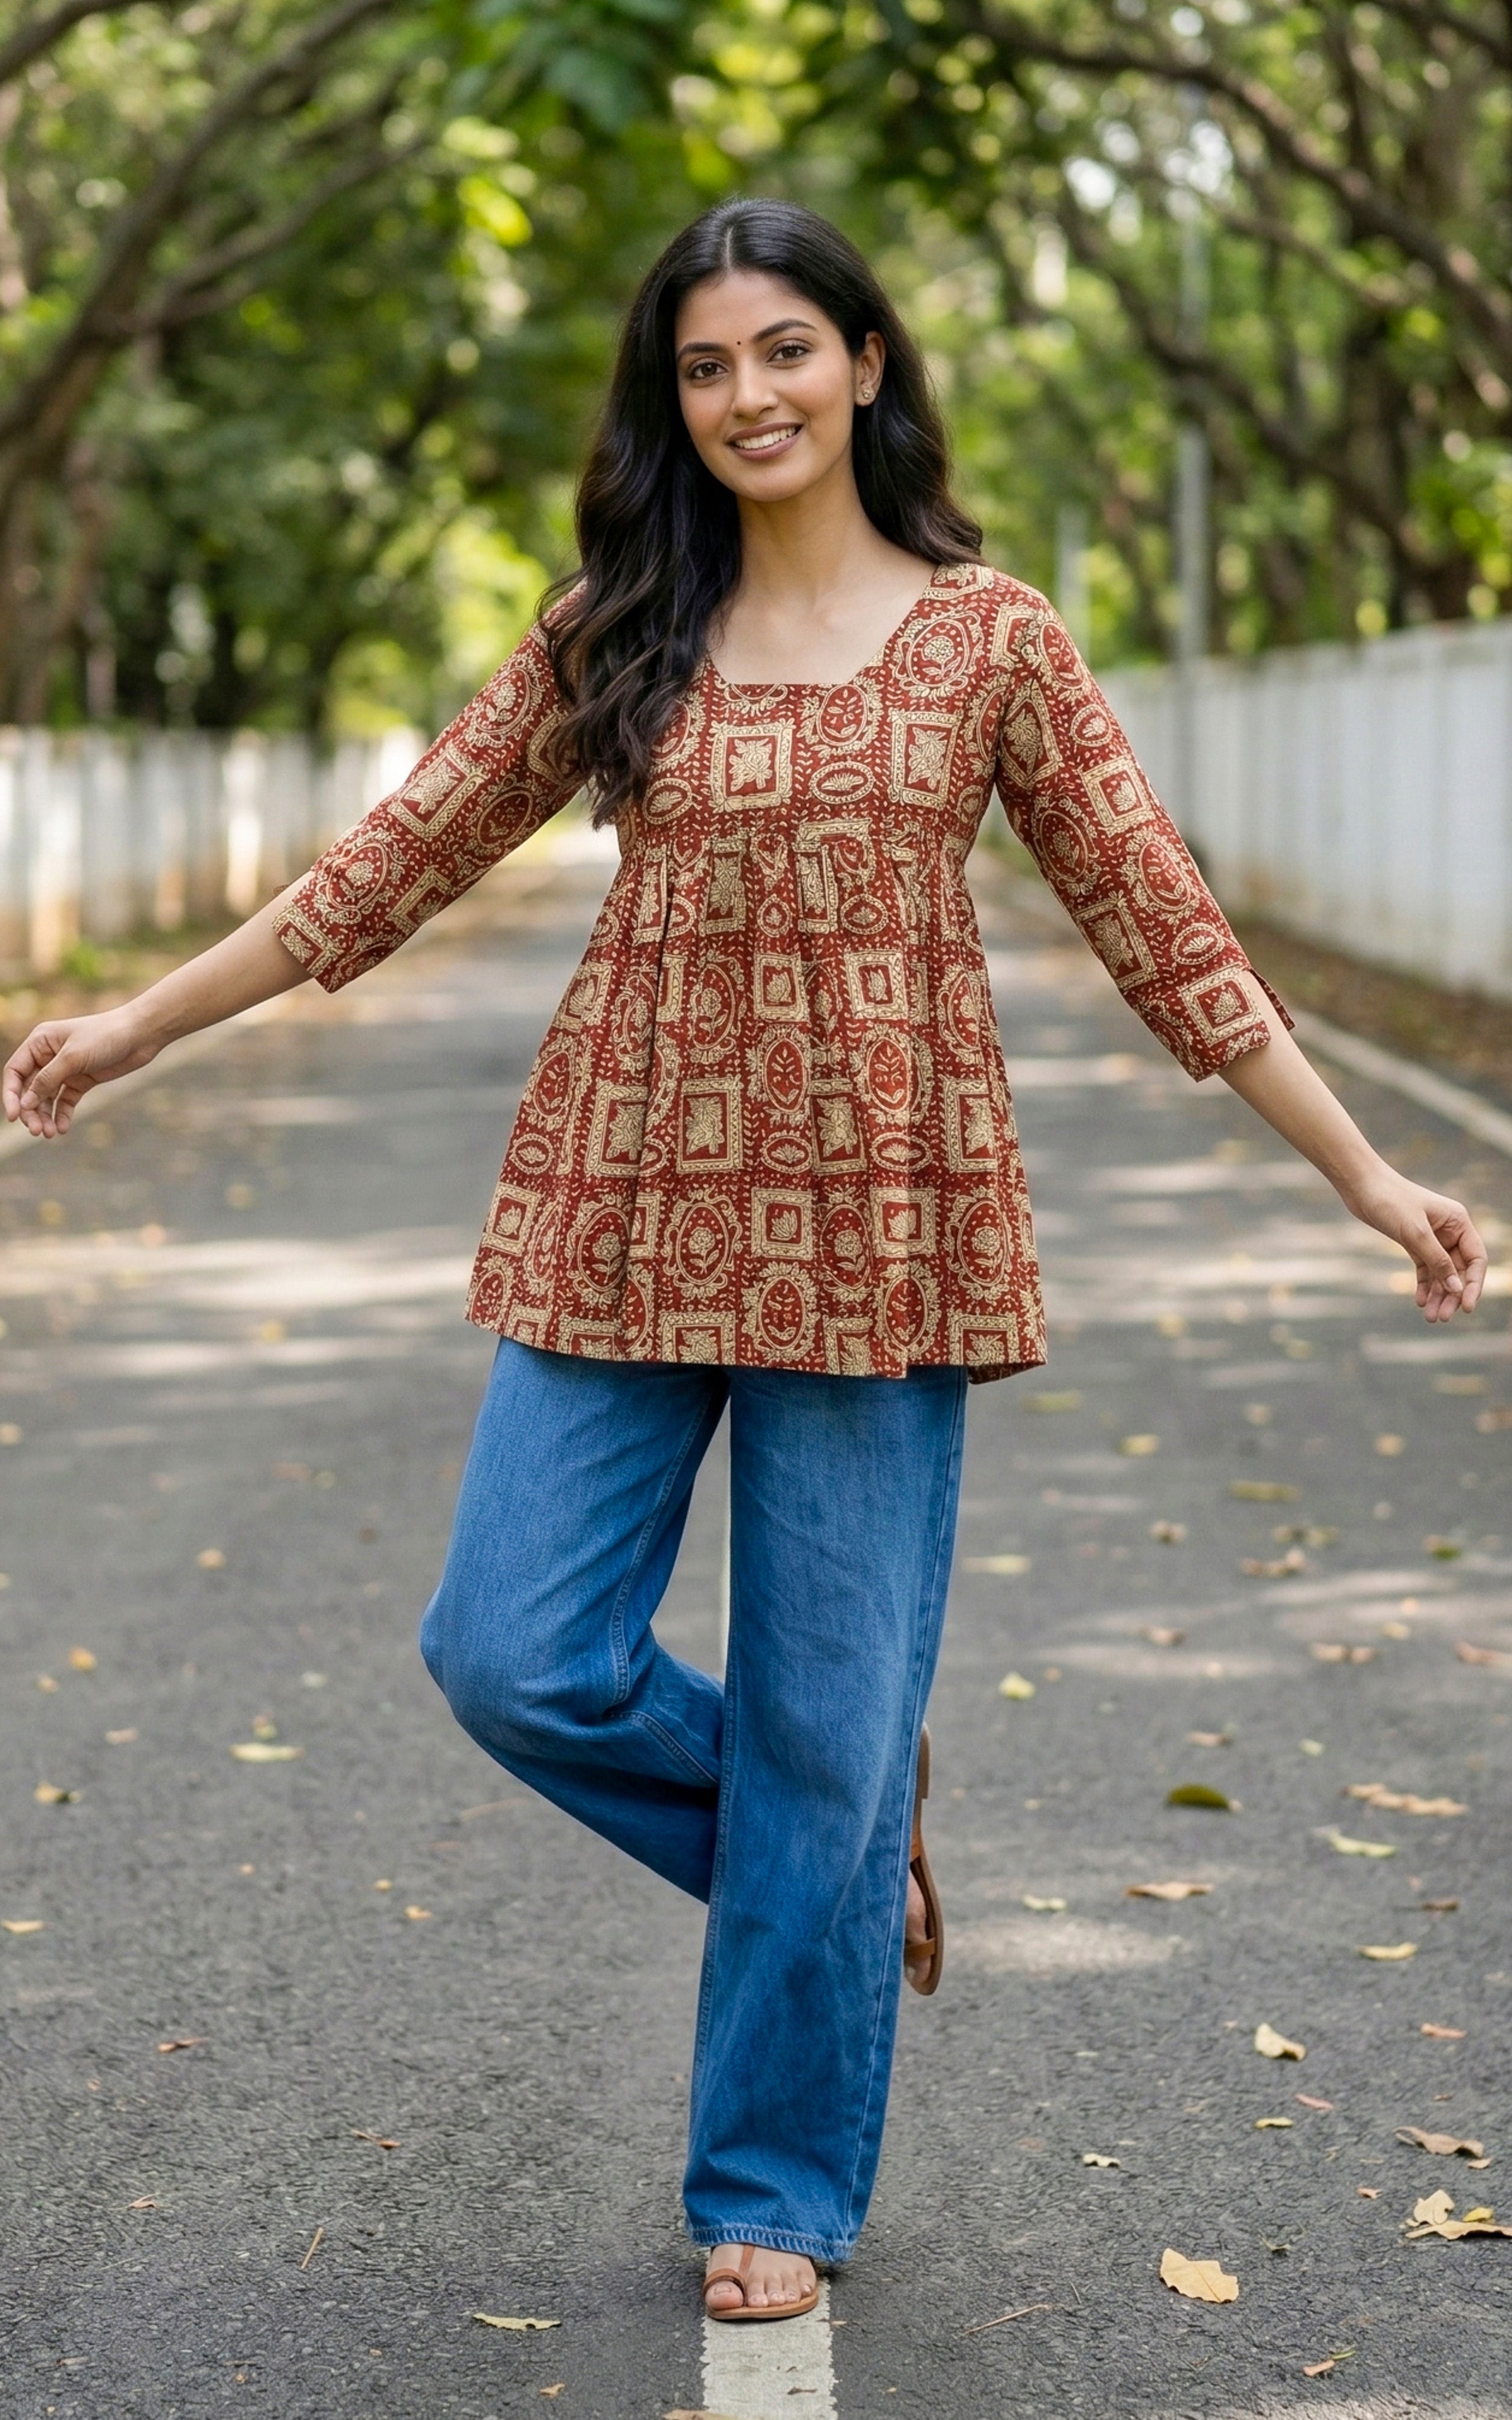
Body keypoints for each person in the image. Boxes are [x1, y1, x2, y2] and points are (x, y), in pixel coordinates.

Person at [4, 200, 1486, 2324]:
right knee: (510, 1649)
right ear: (669, 402)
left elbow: (1167, 932)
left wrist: (1366, 1178)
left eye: (785, 350)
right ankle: (837, 1840)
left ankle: (772, 2182)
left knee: (826, 1717)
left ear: (865, 365)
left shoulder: (996, 641)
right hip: (621, 1208)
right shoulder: (621, 625)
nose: (748, 397)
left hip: (883, 1238)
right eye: (705, 368)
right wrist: (134, 1025)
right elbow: (389, 861)